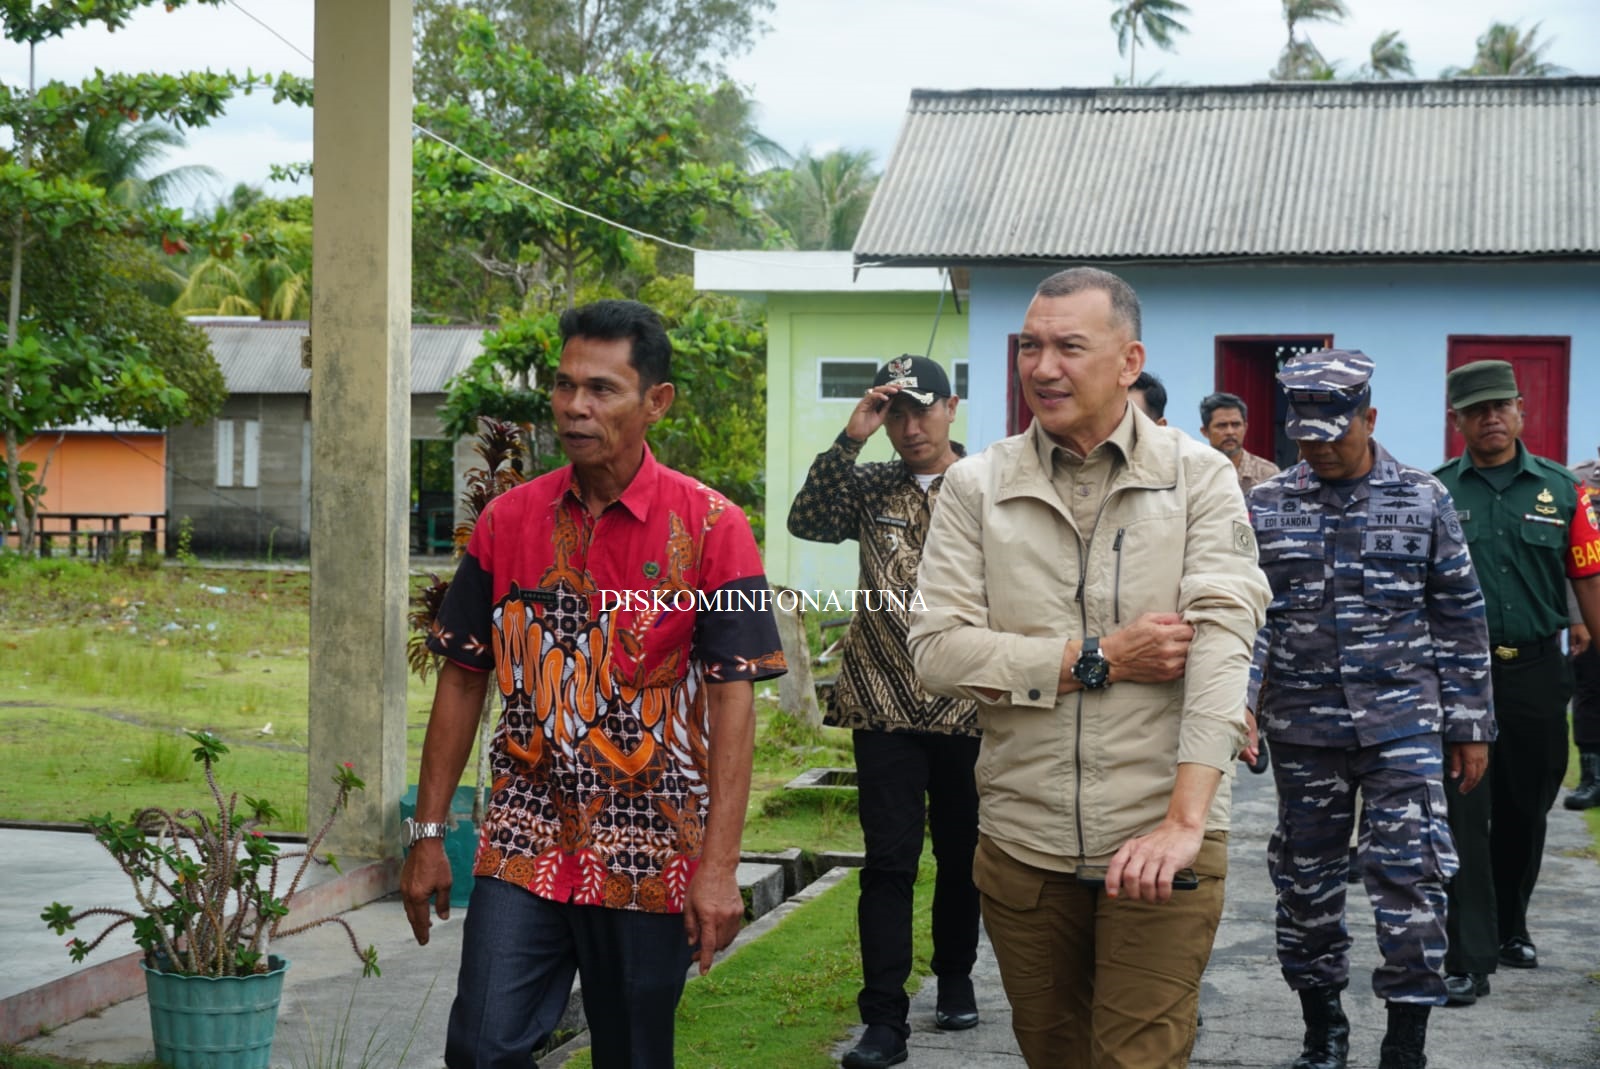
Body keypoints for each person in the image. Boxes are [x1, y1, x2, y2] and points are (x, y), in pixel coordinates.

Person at [400, 299, 787, 1069]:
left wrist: (718, 868)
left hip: (651, 849)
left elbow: (732, 702)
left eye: (603, 389)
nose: (576, 407)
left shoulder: (715, 528)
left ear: (656, 402)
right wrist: (429, 833)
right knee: (479, 1046)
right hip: (524, 837)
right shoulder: (506, 523)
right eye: (565, 385)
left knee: (634, 1055)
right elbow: (462, 676)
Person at [908, 266, 1271, 1068]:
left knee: (1136, 1058)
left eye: (1070, 346)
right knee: (1054, 1053)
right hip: (1022, 844)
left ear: (1128, 359)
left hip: (1160, 840)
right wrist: (1095, 658)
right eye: (1030, 346)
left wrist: (1185, 820)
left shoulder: (1198, 475)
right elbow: (936, 648)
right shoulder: (977, 485)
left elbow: (1220, 642)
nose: (1043, 367)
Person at [1247, 350, 1494, 1069]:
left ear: (1370, 418)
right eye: (1307, 438)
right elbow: (1251, 618)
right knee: (1305, 880)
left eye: (1335, 433)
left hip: (1404, 723)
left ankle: (1405, 1038)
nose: (1321, 448)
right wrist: (1241, 707)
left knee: (1410, 873)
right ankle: (1323, 1029)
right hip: (1304, 724)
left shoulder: (1422, 498)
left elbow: (1458, 615)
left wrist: (1471, 724)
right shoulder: (1266, 504)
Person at [788, 354, 981, 1069]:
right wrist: (851, 436)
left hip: (969, 703)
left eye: (920, 409)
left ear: (951, 406)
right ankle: (884, 1022)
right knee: (889, 862)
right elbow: (807, 520)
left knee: (964, 856)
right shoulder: (870, 484)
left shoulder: (986, 484)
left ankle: (955, 975)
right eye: (895, 412)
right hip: (882, 704)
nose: (909, 426)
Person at [1433, 360, 1600, 1005]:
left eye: (1501, 405)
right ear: (1458, 421)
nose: (1490, 418)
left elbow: (1588, 579)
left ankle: (1510, 927)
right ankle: (1468, 953)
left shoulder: (1564, 492)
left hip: (1535, 671)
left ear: (1521, 411)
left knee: (1526, 808)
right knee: (1463, 812)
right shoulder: (1435, 492)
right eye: (1476, 410)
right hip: (1460, 675)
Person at [1565, 449, 1600, 811]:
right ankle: (1593, 778)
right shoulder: (1578, 480)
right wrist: (1578, 618)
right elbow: (1571, 554)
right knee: (1589, 691)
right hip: (1593, 606)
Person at [1201, 391, 1279, 493]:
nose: (1230, 432)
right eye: (1221, 425)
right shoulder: (1195, 474)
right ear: (1205, 432)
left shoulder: (1267, 473)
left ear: (1245, 427)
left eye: (1236, 424)